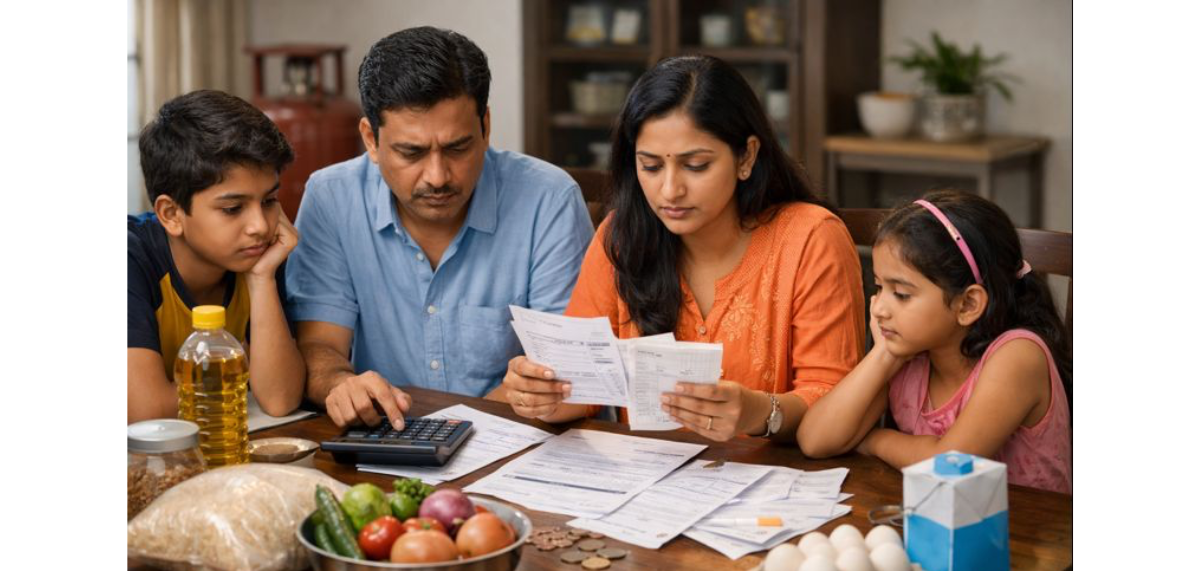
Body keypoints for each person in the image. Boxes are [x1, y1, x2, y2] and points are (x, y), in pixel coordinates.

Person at [498, 55, 865, 444]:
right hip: (645, 487)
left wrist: (759, 411)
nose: (670, 190)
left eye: (696, 165)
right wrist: (542, 393)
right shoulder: (620, 238)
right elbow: (580, 389)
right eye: (651, 167)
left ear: (747, 157)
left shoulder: (811, 238)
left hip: (776, 489)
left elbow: (833, 401)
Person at [286, 27, 594, 430]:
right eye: (411, 152)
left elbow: (561, 370)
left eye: (457, 148)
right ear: (370, 140)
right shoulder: (332, 198)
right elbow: (319, 345)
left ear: (485, 126)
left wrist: (451, 435)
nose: (437, 176)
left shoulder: (548, 199)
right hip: (385, 443)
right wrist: (340, 385)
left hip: (516, 442)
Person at [799, 190, 1072, 493]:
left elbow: (949, 465)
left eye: (901, 294)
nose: (878, 308)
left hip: (1026, 532)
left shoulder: (1017, 356)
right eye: (879, 286)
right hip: (936, 523)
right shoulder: (909, 354)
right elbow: (815, 440)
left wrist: (874, 440)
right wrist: (884, 355)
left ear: (967, 305)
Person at [128, 90, 305, 422]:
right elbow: (147, 411)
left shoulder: (258, 255)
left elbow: (280, 398)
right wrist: (239, 378)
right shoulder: (128, 259)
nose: (259, 226)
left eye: (269, 201)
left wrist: (262, 278)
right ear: (170, 214)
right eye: (232, 208)